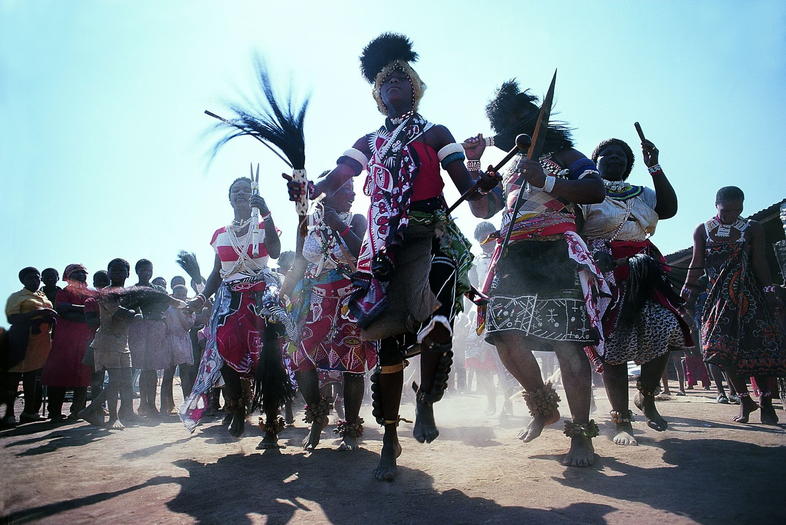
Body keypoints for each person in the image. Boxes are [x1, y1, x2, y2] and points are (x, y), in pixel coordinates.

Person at [287, 34, 498, 481]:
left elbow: (475, 201)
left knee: (438, 326)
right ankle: (388, 438)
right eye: (386, 82)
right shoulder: (368, 141)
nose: (395, 84)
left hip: (430, 235)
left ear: (415, 89)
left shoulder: (437, 133)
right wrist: (309, 191)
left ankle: (425, 403)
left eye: (403, 79)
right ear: (378, 98)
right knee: (387, 348)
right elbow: (337, 175)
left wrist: (480, 178)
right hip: (381, 247)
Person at [466, 79, 608, 467]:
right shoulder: (512, 167)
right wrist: (475, 162)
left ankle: (581, 436)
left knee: (567, 344)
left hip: (557, 253)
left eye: (523, 119)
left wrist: (545, 180)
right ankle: (543, 406)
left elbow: (595, 191)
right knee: (504, 337)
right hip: (514, 255)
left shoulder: (565, 154)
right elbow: (483, 209)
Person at [580, 137, 692, 445]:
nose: (615, 158)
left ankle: (646, 395)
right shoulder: (587, 190)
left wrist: (653, 165)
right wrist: (592, 257)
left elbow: (669, 208)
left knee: (666, 325)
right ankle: (622, 420)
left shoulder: (643, 194)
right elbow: (575, 228)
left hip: (644, 268)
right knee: (614, 340)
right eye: (607, 154)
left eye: (621, 156)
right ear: (596, 161)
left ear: (629, 166)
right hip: (603, 270)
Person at [181, 177, 293, 449]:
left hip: (260, 300)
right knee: (223, 349)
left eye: (246, 190)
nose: (241, 194)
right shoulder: (220, 234)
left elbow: (276, 252)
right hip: (230, 302)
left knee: (269, 361)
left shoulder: (264, 225)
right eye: (235, 191)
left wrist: (266, 213)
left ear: (254, 195)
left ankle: (271, 426)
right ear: (229, 198)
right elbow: (216, 273)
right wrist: (201, 296)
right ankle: (237, 407)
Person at [682, 186, 786, 424]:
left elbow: (759, 260)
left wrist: (769, 290)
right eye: (726, 210)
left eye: (737, 209)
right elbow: (697, 262)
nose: (732, 214)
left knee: (761, 348)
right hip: (717, 299)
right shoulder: (703, 230)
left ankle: (767, 405)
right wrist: (687, 289)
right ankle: (744, 400)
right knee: (716, 349)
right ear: (716, 206)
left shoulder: (752, 228)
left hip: (751, 296)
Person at [288, 179, 376, 451]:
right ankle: (317, 417)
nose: (352, 193)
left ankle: (350, 428)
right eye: (345, 187)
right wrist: (283, 295)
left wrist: (339, 224)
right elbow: (299, 263)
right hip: (317, 301)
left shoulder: (357, 219)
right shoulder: (307, 223)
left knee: (352, 363)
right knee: (301, 359)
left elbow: (365, 251)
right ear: (328, 192)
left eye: (352, 187)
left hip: (350, 300)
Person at [42, 264, 97, 420]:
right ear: (68, 276)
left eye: (83, 273)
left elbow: (93, 313)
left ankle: (78, 411)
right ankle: (54, 412)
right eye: (76, 273)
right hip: (65, 342)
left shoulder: (92, 293)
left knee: (83, 376)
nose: (80, 276)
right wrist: (86, 311)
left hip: (86, 340)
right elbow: (63, 310)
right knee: (59, 376)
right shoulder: (63, 292)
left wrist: (79, 310)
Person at [3, 267, 58, 425]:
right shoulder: (17, 296)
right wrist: (38, 313)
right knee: (14, 378)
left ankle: (29, 412)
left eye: (37, 278)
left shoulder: (42, 295)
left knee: (32, 378)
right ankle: (9, 414)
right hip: (20, 339)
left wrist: (51, 317)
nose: (34, 281)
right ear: (23, 281)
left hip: (40, 342)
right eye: (30, 278)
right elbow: (12, 318)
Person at [128, 259, 169, 416]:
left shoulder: (158, 289)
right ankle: (140, 405)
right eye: (143, 270)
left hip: (155, 330)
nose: (147, 273)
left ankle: (150, 405)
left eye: (149, 270)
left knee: (150, 369)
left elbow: (164, 304)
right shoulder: (132, 290)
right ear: (137, 271)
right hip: (138, 330)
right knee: (139, 366)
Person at [160, 284, 195, 414]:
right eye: (178, 295)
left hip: (183, 343)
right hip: (169, 343)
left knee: (185, 376)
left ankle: (187, 406)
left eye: (183, 295)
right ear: (173, 295)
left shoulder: (189, 310)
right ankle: (165, 407)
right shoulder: (167, 309)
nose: (180, 298)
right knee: (167, 375)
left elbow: (188, 326)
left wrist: (183, 312)